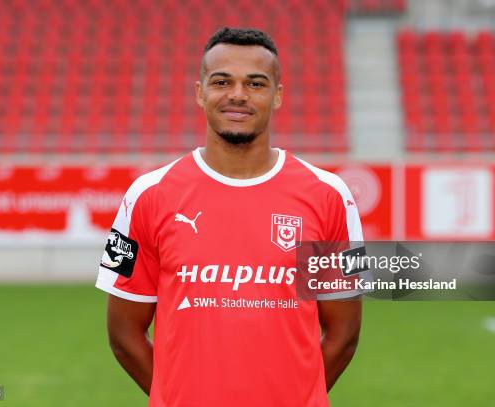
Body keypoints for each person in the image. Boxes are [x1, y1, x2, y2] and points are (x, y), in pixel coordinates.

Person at [96, 27, 364, 407]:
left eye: (256, 83)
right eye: (222, 81)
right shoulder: (145, 195)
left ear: (278, 96)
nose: (237, 94)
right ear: (200, 92)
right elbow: (123, 334)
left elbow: (344, 334)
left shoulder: (331, 196)